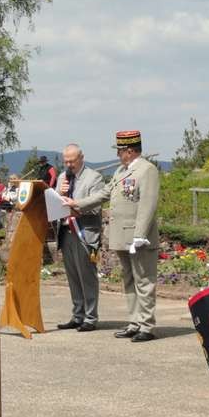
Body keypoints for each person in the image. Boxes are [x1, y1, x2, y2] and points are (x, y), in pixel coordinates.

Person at [63, 130, 160, 342]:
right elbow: (105, 194)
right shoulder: (120, 171)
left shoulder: (147, 170)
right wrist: (77, 204)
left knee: (143, 281)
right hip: (121, 236)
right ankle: (135, 322)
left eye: (120, 151)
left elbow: (148, 205)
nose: (118, 154)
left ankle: (147, 325)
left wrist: (140, 234)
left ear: (131, 150)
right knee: (129, 280)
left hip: (137, 237)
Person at [55, 143, 104, 331]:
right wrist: (60, 194)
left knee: (87, 276)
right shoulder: (62, 177)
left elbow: (97, 206)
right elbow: (56, 203)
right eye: (65, 161)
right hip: (66, 232)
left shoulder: (94, 177)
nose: (69, 165)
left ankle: (91, 318)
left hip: (85, 232)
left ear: (81, 158)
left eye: (72, 161)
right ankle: (77, 315)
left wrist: (76, 205)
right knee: (73, 276)